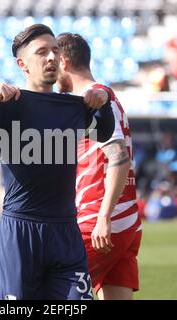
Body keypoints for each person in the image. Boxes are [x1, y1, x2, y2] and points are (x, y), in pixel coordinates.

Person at [0, 24, 115, 300]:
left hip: (66, 231)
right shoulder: (6, 107)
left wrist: (103, 102)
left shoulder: (73, 106)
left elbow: (104, 132)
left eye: (55, 50)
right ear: (23, 64)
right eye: (42, 52)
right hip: (21, 232)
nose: (52, 58)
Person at [56, 32, 142, 300]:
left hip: (100, 220)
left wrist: (103, 217)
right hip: (123, 218)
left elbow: (118, 158)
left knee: (55, 291)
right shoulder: (106, 97)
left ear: (65, 62)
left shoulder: (93, 100)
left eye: (52, 60)